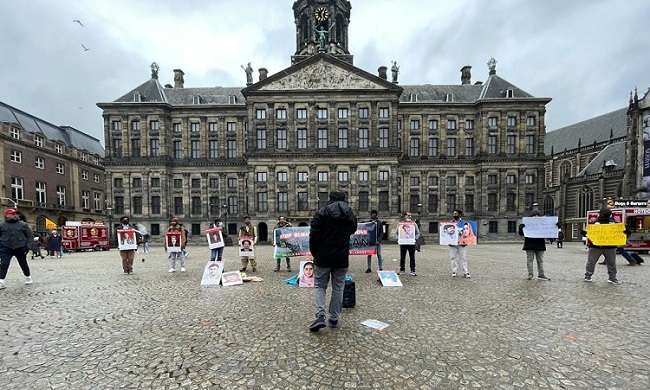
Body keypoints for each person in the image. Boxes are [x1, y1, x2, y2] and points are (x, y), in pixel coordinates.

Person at [308, 190, 357, 332]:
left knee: (319, 286)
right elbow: (353, 230)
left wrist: (315, 253)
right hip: (341, 257)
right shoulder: (349, 214)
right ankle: (334, 318)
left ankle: (320, 316)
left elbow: (314, 236)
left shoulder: (322, 213)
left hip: (323, 257)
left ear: (330, 199)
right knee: (338, 288)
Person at [582, 208, 629, 284]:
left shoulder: (611, 223)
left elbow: (621, 231)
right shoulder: (599, 223)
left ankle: (590, 276)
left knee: (598, 262)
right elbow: (588, 232)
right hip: (602, 246)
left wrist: (625, 232)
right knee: (606, 263)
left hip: (600, 246)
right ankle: (610, 278)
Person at [0, 208, 34, 289]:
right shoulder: (1, 225)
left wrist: (28, 247)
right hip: (6, 247)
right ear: (7, 215)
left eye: (16, 214)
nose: (15, 215)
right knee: (4, 264)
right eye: (13, 214)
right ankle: (1, 281)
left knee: (23, 263)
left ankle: (28, 276)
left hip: (20, 247)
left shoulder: (23, 224)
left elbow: (30, 236)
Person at [518, 210, 550, 281]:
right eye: (534, 215)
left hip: (540, 244)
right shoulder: (527, 223)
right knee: (530, 260)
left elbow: (550, 231)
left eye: (537, 215)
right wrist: (520, 228)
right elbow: (521, 234)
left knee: (540, 260)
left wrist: (556, 226)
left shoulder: (543, 224)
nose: (536, 217)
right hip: (530, 244)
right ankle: (530, 274)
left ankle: (541, 274)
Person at [396, 211, 421, 276]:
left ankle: (412, 270)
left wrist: (415, 239)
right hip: (403, 243)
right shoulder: (400, 224)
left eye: (410, 215)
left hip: (411, 243)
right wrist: (398, 239)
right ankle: (402, 270)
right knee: (402, 257)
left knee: (412, 257)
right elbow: (396, 233)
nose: (410, 216)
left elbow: (418, 233)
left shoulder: (414, 224)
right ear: (405, 216)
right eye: (408, 215)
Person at [449, 209, 471, 278]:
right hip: (452, 243)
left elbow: (466, 233)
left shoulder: (464, 223)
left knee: (463, 258)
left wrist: (466, 241)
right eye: (453, 214)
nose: (454, 215)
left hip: (461, 243)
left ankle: (465, 272)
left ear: (459, 214)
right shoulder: (450, 223)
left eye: (456, 214)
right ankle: (454, 271)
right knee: (453, 258)